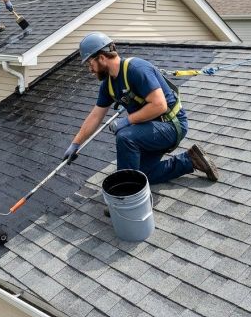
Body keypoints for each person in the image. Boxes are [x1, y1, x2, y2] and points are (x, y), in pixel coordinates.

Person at [63, 32, 219, 195]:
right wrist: (76, 144)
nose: (90, 69)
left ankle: (125, 196)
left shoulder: (136, 69)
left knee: (125, 136)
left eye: (89, 63)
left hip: (171, 124)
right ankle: (190, 160)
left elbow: (159, 105)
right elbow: (95, 115)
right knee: (141, 175)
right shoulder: (108, 85)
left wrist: (127, 121)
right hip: (150, 129)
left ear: (101, 57)